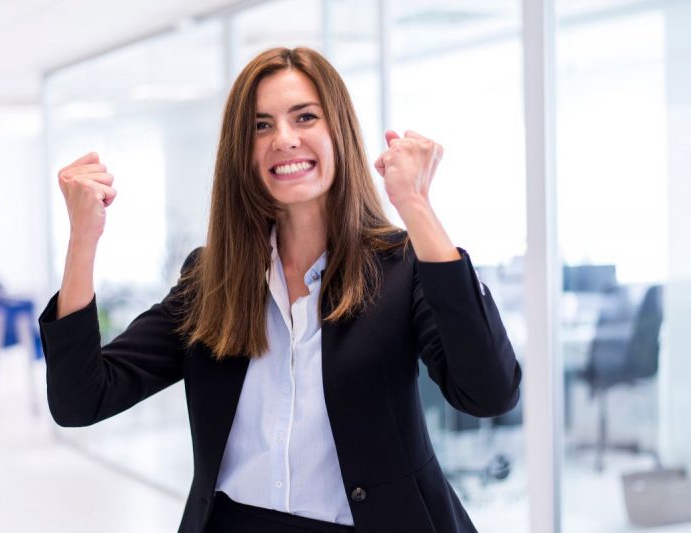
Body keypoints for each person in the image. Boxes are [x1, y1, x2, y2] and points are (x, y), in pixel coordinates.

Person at [39, 47, 521, 533]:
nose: (284, 140)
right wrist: (84, 238)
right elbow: (81, 400)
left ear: (339, 131)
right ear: (241, 152)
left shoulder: (400, 267)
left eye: (304, 117)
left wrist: (415, 206)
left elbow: (488, 393)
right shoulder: (212, 279)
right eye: (260, 125)